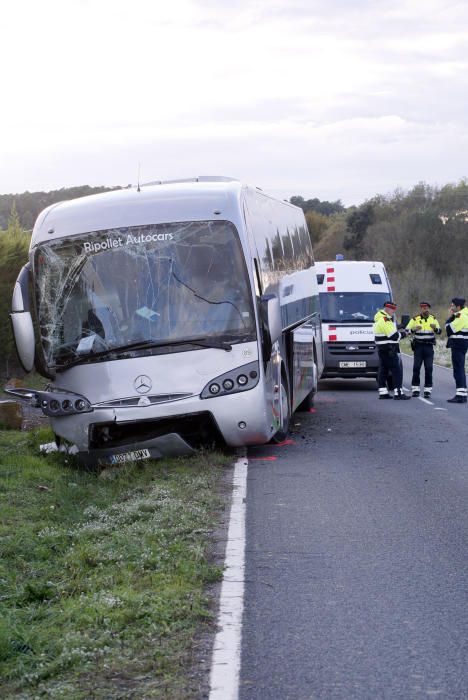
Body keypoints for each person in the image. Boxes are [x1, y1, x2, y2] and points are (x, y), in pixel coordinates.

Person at [373, 300, 411, 400]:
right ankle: (398, 393)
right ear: (388, 309)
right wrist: (405, 334)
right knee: (396, 370)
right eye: (393, 310)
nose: (393, 312)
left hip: (382, 349)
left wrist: (400, 328)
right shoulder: (385, 320)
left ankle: (383, 392)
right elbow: (393, 336)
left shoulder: (380, 319)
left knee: (383, 370)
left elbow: (390, 331)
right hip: (389, 349)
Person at [406, 302, 441, 397]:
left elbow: (440, 331)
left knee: (429, 368)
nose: (424, 310)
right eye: (422, 308)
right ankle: (415, 388)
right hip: (418, 346)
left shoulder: (433, 319)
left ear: (429, 309)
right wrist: (413, 329)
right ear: (420, 309)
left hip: (429, 347)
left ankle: (428, 390)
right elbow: (406, 331)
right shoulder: (415, 319)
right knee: (416, 368)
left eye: (426, 308)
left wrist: (435, 329)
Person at [445, 297, 468, 403]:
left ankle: (460, 395)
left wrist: (449, 318)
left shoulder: (461, 316)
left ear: (458, 307)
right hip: (461, 345)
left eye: (452, 305)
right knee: (460, 369)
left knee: (458, 370)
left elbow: (449, 330)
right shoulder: (463, 314)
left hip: (459, 345)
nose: (451, 307)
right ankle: (462, 394)